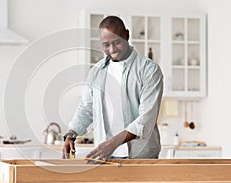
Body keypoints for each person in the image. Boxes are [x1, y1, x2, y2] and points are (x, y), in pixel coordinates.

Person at [62, 16, 163, 160]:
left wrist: (112, 144)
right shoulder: (97, 71)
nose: (112, 49)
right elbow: (86, 108)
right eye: (106, 45)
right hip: (105, 157)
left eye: (117, 42)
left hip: (141, 157)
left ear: (127, 35)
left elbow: (146, 119)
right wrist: (71, 134)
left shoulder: (148, 70)